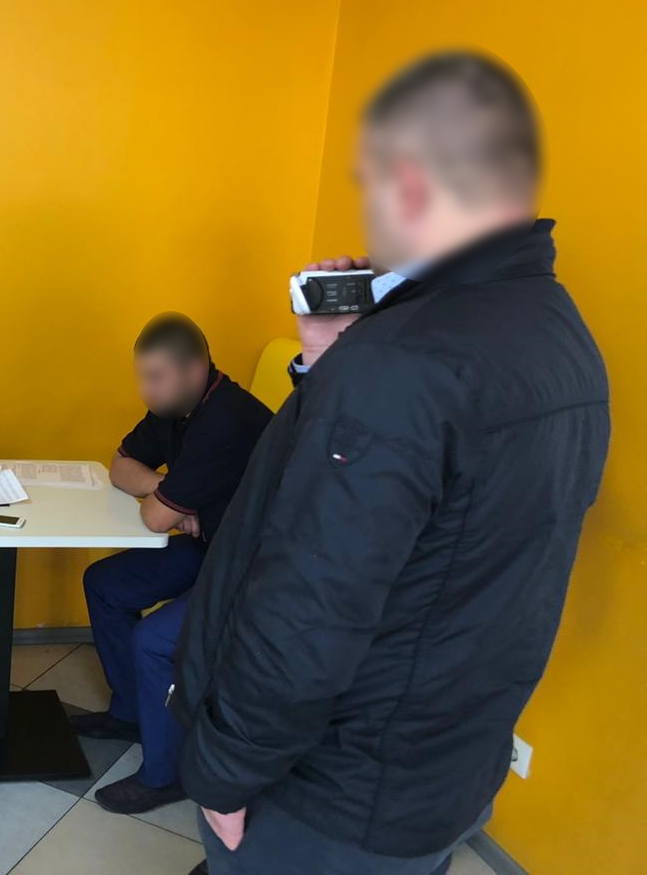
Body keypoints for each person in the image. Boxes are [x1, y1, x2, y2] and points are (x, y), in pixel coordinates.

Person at [175, 51, 609, 875]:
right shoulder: (562, 335)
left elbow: (311, 604)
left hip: (333, 794)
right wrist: (327, 360)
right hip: (445, 769)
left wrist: (225, 771)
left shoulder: (398, 362)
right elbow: (442, 536)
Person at [72, 314, 271, 815]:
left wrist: (167, 504)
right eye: (143, 376)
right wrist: (168, 494)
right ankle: (131, 713)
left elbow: (155, 517)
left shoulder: (226, 420)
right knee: (105, 583)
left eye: (156, 377)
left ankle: (167, 775)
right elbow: (119, 466)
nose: (146, 390)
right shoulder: (174, 405)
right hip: (213, 547)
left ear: (196, 369)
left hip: (260, 570)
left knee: (154, 640)